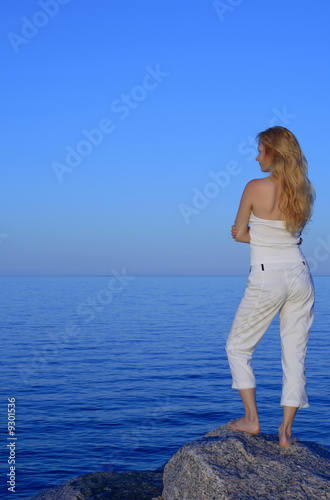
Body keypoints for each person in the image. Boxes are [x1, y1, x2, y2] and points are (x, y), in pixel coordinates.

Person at [225, 126, 315, 448]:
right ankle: (286, 433)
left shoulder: (253, 187)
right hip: (301, 274)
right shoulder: (302, 191)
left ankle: (251, 419)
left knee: (237, 346)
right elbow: (294, 238)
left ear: (274, 153)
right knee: (295, 354)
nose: (257, 155)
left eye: (261, 150)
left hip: (268, 275)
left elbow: (239, 233)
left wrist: (246, 233)